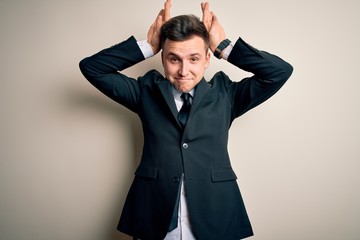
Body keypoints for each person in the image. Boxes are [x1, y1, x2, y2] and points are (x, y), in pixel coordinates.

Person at [79, 0, 293, 239]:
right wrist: (148, 46)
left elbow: (279, 72)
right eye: (174, 59)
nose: (183, 71)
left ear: (207, 59)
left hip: (216, 216)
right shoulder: (145, 92)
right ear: (162, 59)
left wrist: (224, 45)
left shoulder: (226, 95)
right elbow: (92, 68)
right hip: (153, 216)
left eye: (193, 59)